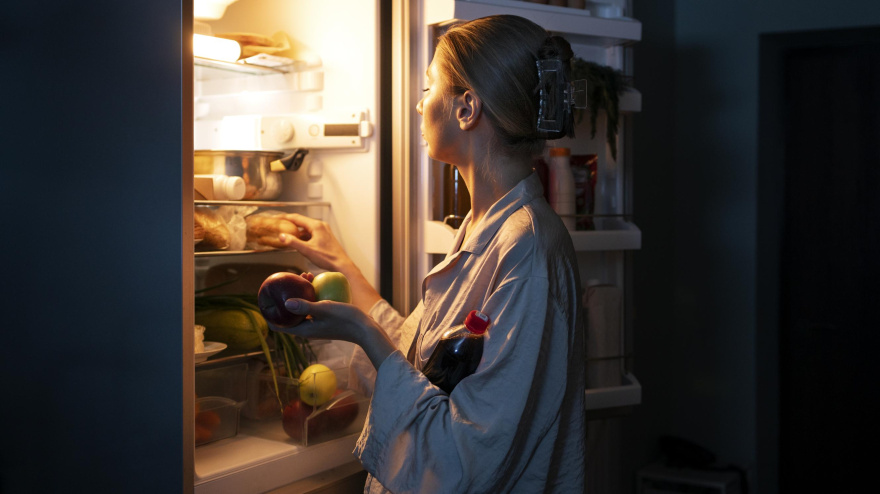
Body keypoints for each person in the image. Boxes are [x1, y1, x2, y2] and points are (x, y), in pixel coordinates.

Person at [272, 15, 585, 493]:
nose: (420, 104)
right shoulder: (486, 226)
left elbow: (466, 458)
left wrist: (360, 332)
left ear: (466, 108)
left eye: (429, 86)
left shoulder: (528, 251)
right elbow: (428, 371)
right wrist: (343, 267)